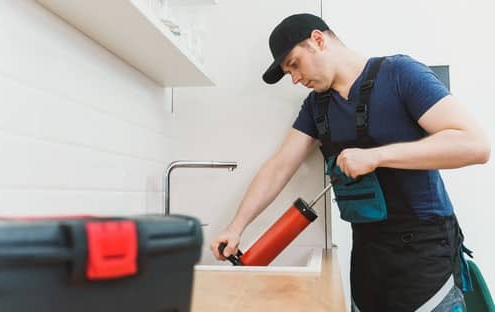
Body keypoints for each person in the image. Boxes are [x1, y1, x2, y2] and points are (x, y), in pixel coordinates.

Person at [210, 13, 490, 311]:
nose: (295, 79)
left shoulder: (400, 74)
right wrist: (236, 227)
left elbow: (475, 144)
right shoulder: (316, 106)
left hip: (425, 256)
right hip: (368, 258)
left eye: (294, 64)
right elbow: (279, 167)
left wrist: (377, 156)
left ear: (318, 40)